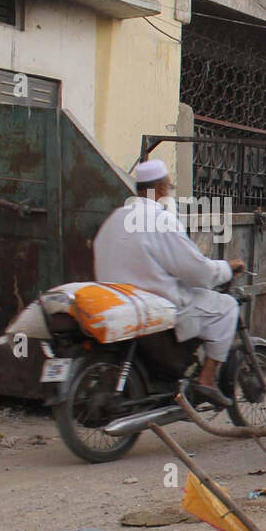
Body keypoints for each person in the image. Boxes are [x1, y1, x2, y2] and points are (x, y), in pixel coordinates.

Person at [93, 159, 244, 408]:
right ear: (162, 189)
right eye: (169, 188)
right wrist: (227, 268)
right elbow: (198, 272)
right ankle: (206, 381)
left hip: (118, 302)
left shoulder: (116, 218)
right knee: (226, 306)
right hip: (159, 304)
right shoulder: (160, 219)